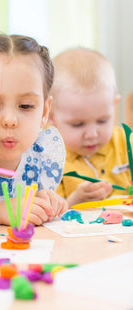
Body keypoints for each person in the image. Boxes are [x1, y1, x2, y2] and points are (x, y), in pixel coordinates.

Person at [0, 34, 68, 227]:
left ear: (45, 111)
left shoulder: (44, 156)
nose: (9, 120)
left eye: (25, 106)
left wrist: (45, 203)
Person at [49, 47, 129, 207]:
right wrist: (74, 200)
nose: (92, 134)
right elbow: (49, 218)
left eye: (102, 121)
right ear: (51, 116)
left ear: (114, 107)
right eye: (78, 124)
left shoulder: (127, 143)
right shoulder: (49, 157)